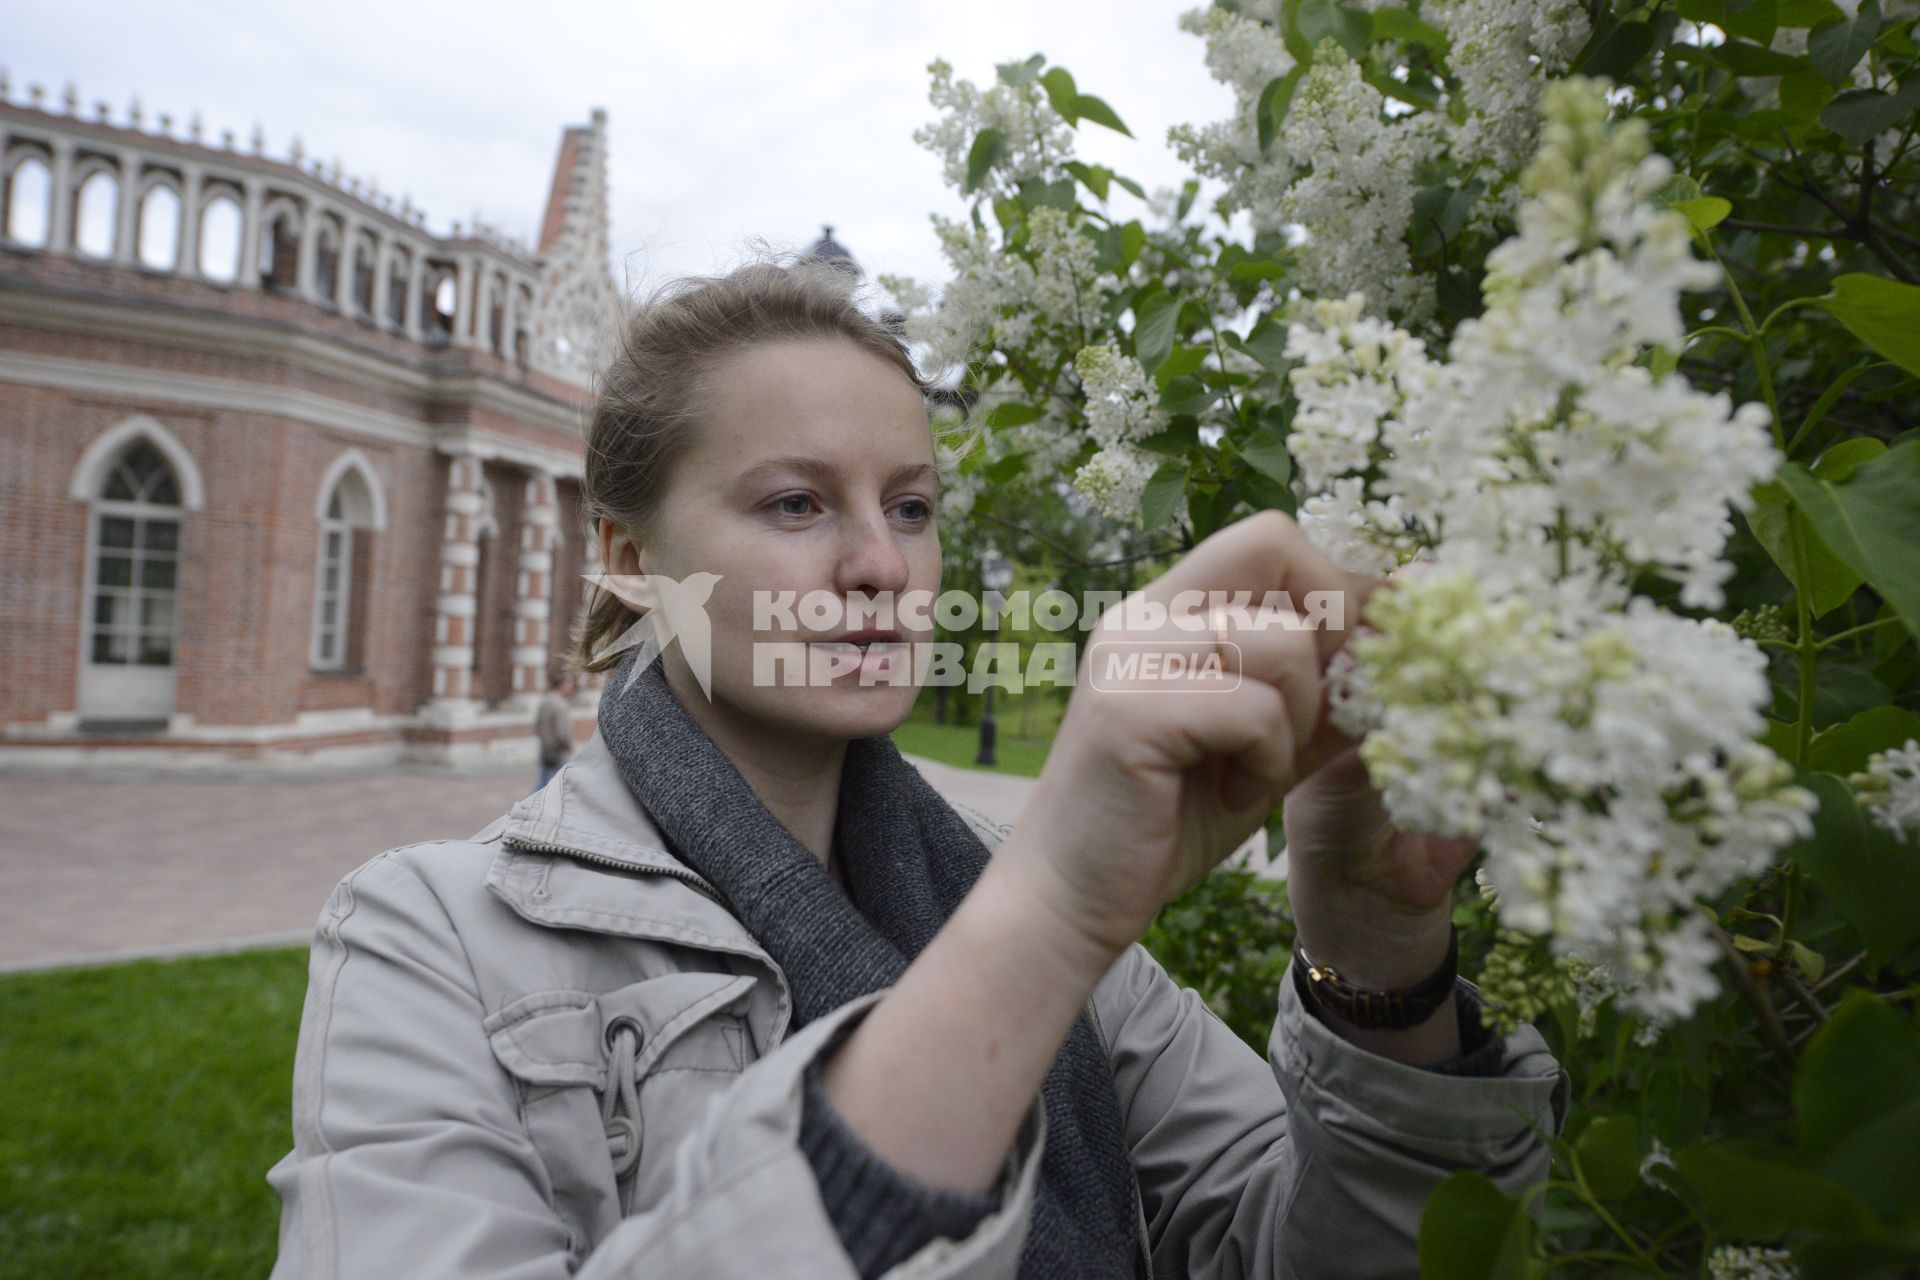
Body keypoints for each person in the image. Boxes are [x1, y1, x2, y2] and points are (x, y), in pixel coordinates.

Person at [264, 258, 1569, 1280]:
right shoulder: (431, 941)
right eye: (795, 503)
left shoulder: (1058, 938)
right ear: (626, 554)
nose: (881, 565)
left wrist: (1376, 952)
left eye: (911, 506)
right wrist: (1037, 929)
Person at [532, 668, 577, 794]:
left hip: (545, 749)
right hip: (557, 752)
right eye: (570, 683)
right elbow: (563, 733)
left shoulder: (545, 701)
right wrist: (569, 747)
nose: (571, 687)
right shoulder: (560, 705)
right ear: (562, 684)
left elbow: (537, 726)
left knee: (542, 783)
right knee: (558, 786)